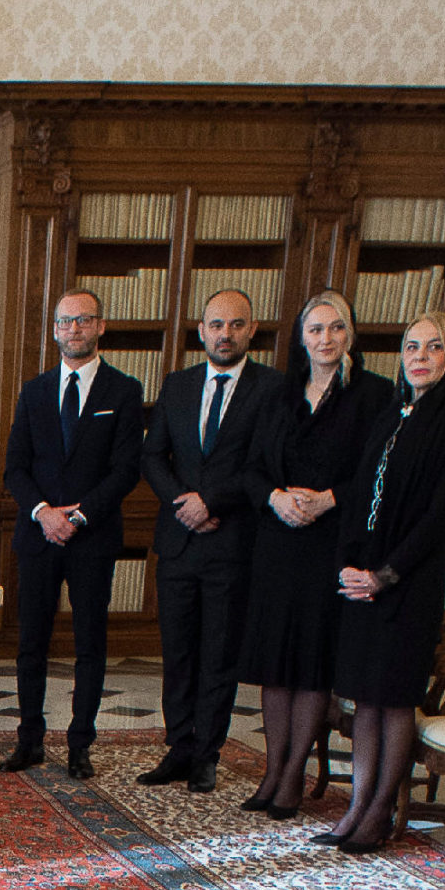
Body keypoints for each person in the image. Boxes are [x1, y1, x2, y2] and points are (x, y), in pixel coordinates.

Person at [321, 309, 445, 855]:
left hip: (407, 582)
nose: (420, 357)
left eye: (434, 347)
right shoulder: (390, 412)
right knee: (364, 700)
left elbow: (438, 516)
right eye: (412, 346)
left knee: (393, 701)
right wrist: (349, 566)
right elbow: (359, 495)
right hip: (362, 579)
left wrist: (383, 577)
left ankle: (379, 813)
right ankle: (356, 806)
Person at [236, 294, 394, 818]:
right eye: (315, 329)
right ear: (301, 338)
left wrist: (330, 499)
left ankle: (293, 777)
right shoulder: (278, 394)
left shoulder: (374, 395)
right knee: (275, 665)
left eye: (335, 328)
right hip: (277, 543)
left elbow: (379, 474)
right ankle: (272, 770)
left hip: (331, 544)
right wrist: (274, 498)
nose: (325, 339)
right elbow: (251, 468)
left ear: (350, 334)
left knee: (310, 664)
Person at [0, 289, 144, 778]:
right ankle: (29, 740)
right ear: (55, 330)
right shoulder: (34, 391)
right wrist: (44, 514)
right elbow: (16, 467)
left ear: (100, 326)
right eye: (65, 321)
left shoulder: (123, 391)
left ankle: (81, 745)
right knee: (30, 644)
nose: (74, 329)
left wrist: (78, 517)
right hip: (38, 537)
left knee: (90, 646)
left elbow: (125, 470)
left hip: (92, 538)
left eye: (84, 320)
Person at [139, 289, 279, 793]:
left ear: (251, 330)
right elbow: (152, 455)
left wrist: (211, 502)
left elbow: (266, 464)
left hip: (232, 541)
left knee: (219, 654)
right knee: (177, 652)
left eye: (236, 325)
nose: (225, 334)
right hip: (178, 540)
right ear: (201, 331)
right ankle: (178, 747)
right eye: (216, 325)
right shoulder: (178, 384)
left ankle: (206, 754)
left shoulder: (271, 388)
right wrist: (184, 504)